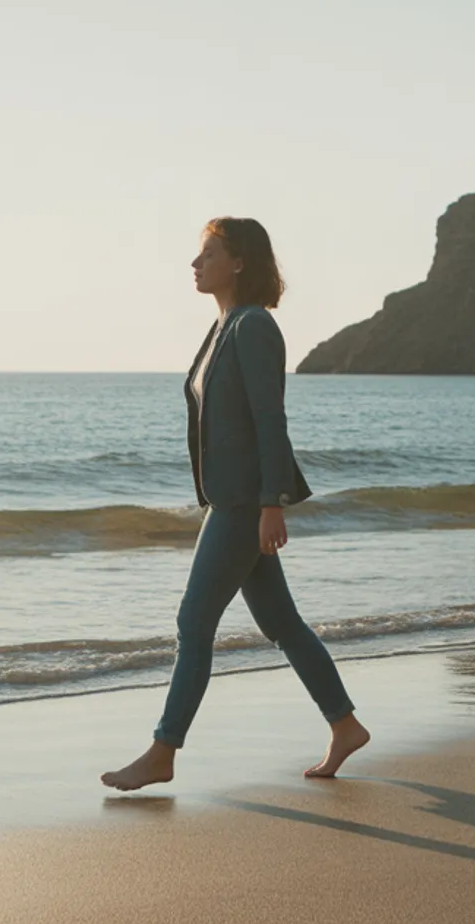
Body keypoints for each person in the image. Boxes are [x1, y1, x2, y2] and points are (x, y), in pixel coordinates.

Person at [101, 217, 370, 791]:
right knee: (281, 623)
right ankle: (345, 725)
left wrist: (272, 503)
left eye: (208, 254)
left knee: (193, 623)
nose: (195, 265)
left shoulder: (252, 328)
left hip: (243, 504)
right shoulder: (223, 327)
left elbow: (270, 421)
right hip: (230, 500)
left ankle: (163, 750)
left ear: (239, 262)